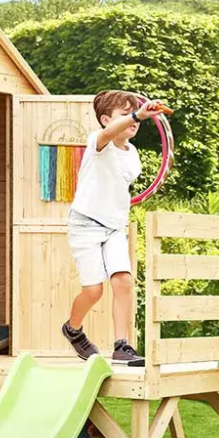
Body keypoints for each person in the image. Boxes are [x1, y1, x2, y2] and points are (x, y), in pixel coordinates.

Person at [61, 89, 168, 366]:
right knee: (94, 290)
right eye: (125, 115)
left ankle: (122, 345)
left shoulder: (132, 154)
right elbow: (108, 135)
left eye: (136, 118)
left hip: (114, 226)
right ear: (106, 120)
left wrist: (135, 115)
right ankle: (72, 329)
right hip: (85, 223)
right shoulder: (98, 142)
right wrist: (138, 113)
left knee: (123, 281)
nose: (134, 122)